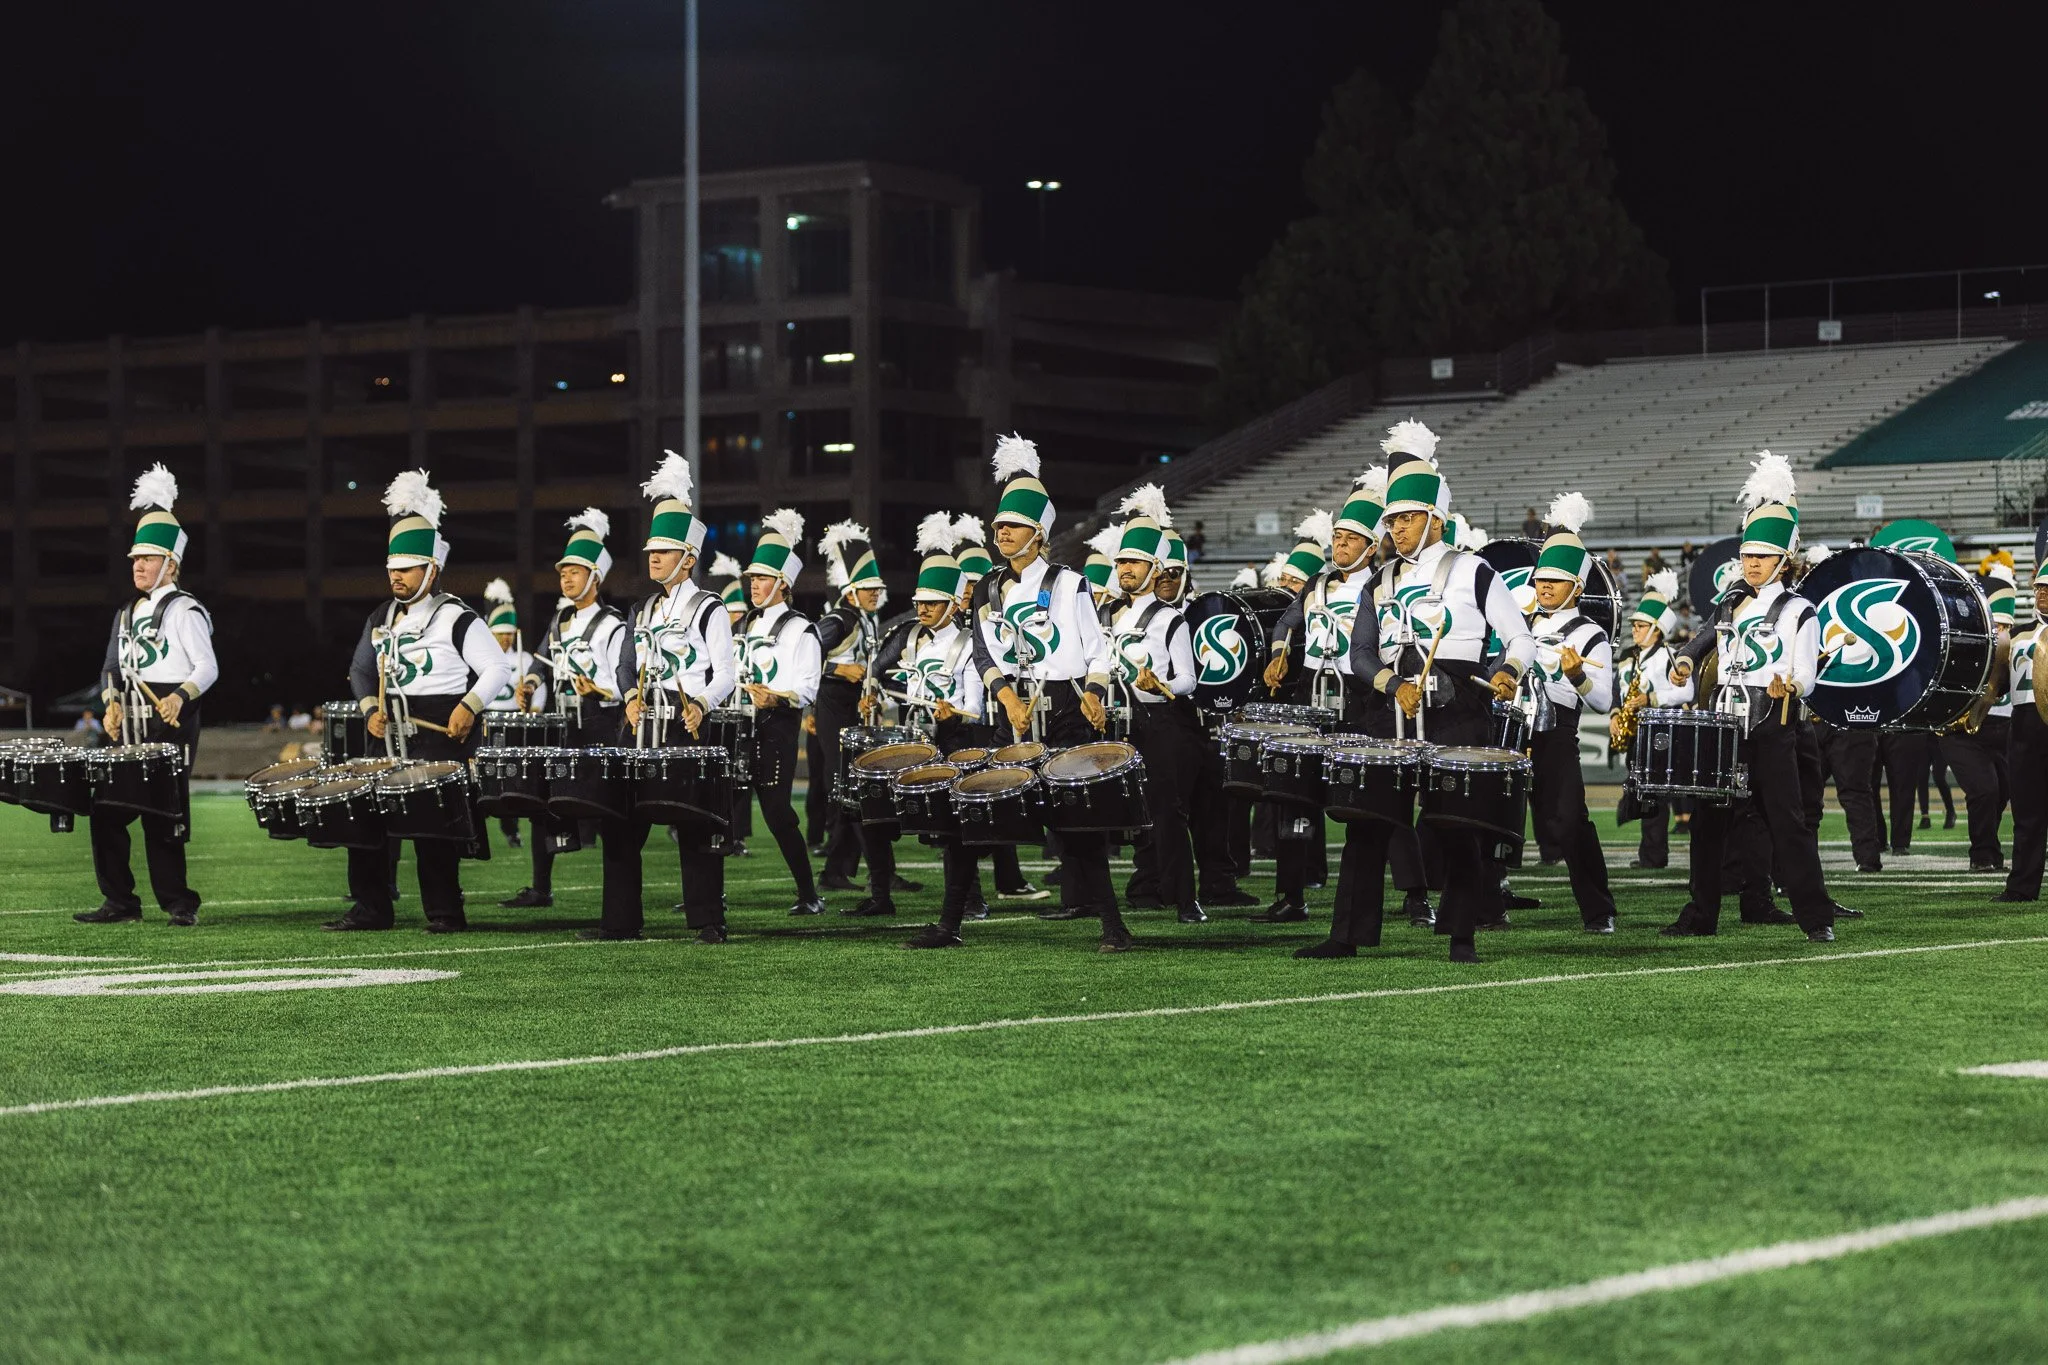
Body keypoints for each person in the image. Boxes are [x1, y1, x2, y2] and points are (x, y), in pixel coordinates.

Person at [1296, 428, 1534, 963]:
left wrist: (1508, 670)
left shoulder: (1474, 570)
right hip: (1391, 709)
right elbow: (1361, 654)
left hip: (1459, 708)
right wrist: (1393, 685)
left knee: (1457, 826)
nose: (1396, 529)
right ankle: (1346, 935)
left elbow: (1520, 637)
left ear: (1435, 519)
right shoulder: (1379, 580)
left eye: (1406, 518)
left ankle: (1461, 935)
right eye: (1392, 521)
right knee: (1366, 823)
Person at [1663, 453, 1844, 942]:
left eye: (1762, 556)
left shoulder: (1799, 610)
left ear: (1784, 560)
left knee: (1787, 823)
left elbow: (1806, 673)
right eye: (1747, 555)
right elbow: (1700, 642)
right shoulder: (1730, 601)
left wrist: (1793, 686)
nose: (1752, 564)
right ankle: (1701, 914)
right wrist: (1684, 662)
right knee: (1708, 823)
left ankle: (1816, 918)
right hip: (1724, 724)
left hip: (1772, 724)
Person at [966, 434, 1132, 951]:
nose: (1001, 533)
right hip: (1011, 712)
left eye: (1013, 525)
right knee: (976, 817)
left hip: (1064, 712)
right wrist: (1008, 700)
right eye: (998, 525)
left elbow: (1097, 651)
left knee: (1078, 826)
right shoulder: (985, 587)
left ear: (1038, 534)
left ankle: (1114, 927)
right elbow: (984, 654)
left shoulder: (1069, 583)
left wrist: (1095, 694)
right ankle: (950, 924)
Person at [329, 469, 511, 933]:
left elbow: (497, 668)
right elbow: (360, 670)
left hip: (438, 728)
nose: (396, 575)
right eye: (392, 567)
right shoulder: (381, 615)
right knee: (366, 820)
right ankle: (371, 908)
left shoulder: (457, 616)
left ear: (432, 568)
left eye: (407, 568)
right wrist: (370, 708)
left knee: (434, 832)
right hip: (387, 728)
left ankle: (445, 912)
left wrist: (469, 706)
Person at [75, 464, 215, 927]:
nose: (137, 565)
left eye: (148, 558)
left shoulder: (186, 610)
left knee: (162, 815)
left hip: (170, 720)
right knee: (105, 811)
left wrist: (181, 696)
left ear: (170, 564)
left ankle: (179, 903)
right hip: (128, 721)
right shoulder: (127, 612)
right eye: (135, 558)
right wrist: (110, 703)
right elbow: (111, 669)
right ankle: (120, 902)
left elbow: (207, 667)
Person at [609, 455, 737, 942]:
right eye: (651, 551)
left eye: (664, 551)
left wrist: (701, 704)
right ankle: (620, 922)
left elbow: (726, 674)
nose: (654, 558)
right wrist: (628, 697)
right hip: (640, 724)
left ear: (688, 558)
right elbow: (625, 664)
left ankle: (708, 920)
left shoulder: (709, 607)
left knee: (694, 822)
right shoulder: (641, 609)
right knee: (622, 822)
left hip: (687, 722)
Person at [502, 510, 625, 909]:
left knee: (604, 810)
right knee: (543, 803)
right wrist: (529, 684)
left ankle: (618, 900)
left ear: (595, 577)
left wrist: (599, 689)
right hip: (562, 726)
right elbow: (540, 663)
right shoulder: (559, 621)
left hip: (600, 724)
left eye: (575, 572)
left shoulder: (614, 625)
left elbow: (624, 681)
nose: (567, 579)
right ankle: (541, 888)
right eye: (563, 573)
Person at [1105, 486, 1205, 923]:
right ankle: (1132, 890)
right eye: (1121, 562)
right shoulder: (1107, 615)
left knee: (1167, 812)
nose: (1125, 569)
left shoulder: (1169, 618)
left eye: (1134, 563)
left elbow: (1188, 679)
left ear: (1155, 569)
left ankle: (1185, 899)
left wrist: (1160, 684)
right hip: (1117, 723)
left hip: (1161, 723)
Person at [1522, 492, 1619, 932]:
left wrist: (1578, 675)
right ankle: (1486, 904)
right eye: (1541, 579)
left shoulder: (1589, 633)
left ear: (1577, 587)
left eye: (1555, 581)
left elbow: (1601, 701)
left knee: (1568, 822)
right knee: (1491, 816)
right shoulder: (1522, 624)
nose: (1544, 587)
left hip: (1556, 733)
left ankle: (1599, 910)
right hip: (1512, 730)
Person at [897, 519, 996, 946]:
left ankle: (960, 911)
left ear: (953, 605)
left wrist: (951, 713)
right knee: (946, 834)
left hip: (960, 745)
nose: (922, 610)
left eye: (932, 603)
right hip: (927, 744)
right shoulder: (915, 643)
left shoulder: (970, 643)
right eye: (920, 603)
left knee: (958, 833)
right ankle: (959, 908)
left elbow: (976, 707)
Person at [947, 513, 1045, 904]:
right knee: (979, 805)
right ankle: (969, 900)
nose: (971, 592)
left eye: (976, 585)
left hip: (1007, 716)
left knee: (1005, 798)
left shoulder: (1001, 605)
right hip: (978, 721)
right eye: (965, 586)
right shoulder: (952, 625)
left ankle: (1009, 880)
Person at [1247, 514, 1336, 923]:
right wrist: (1278, 652)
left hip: (1345, 703)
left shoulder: (1338, 593)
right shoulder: (1294, 606)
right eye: (1283, 578)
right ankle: (1296, 886)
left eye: (1294, 582)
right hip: (1302, 707)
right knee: (1297, 797)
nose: (1285, 586)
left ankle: (1416, 894)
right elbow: (1284, 626)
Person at [738, 508, 826, 916]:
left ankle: (809, 894)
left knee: (776, 813)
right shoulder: (745, 626)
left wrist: (773, 697)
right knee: (718, 813)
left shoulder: (801, 630)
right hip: (738, 729)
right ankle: (706, 896)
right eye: (752, 578)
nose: (754, 585)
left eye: (761, 578)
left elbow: (808, 688)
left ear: (783, 583)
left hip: (777, 729)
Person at [1942, 555, 2018, 873]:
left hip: (2003, 730)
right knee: (1984, 788)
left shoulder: (2020, 646)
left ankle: (1989, 850)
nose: (1999, 632)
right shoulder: (1958, 646)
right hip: (1961, 732)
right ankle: (1982, 854)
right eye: (1994, 625)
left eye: (2004, 626)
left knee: (2001, 792)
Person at [1612, 569, 1688, 869]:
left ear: (1657, 629)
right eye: (1634, 625)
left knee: (1655, 793)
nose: (1635, 630)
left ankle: (1654, 855)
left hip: (1660, 731)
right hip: (1634, 731)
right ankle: (1649, 852)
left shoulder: (1670, 655)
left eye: (1641, 625)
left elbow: (1686, 691)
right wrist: (1615, 714)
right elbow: (1617, 689)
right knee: (1643, 791)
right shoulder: (1627, 655)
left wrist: (1651, 699)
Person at [1996, 568, 2045, 903]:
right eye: (2039, 588)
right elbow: (1995, 685)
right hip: (2025, 725)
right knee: (2027, 812)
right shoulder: (2015, 636)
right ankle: (2022, 887)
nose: (2043, 593)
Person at [481, 576, 535, 849]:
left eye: (509, 633)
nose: (505, 638)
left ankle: (511, 829)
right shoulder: (480, 659)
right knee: (484, 778)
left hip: (515, 724)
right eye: (499, 633)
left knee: (510, 778)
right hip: (487, 722)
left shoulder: (524, 659)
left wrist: (531, 706)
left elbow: (538, 697)